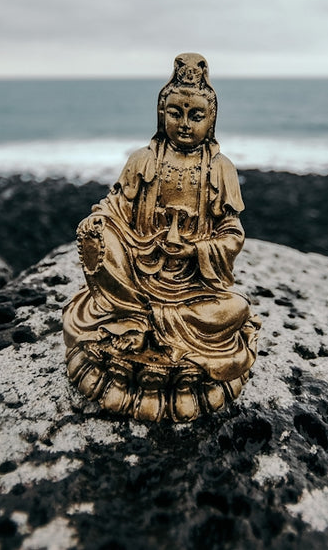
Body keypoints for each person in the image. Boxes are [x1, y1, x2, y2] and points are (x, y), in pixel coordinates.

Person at [63, 53, 260, 421]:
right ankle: (135, 319)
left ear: (211, 119)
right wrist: (99, 223)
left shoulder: (220, 169)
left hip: (191, 290)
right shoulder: (143, 159)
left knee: (236, 310)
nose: (184, 124)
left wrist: (196, 249)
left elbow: (232, 234)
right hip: (137, 277)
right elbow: (115, 207)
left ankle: (142, 326)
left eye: (196, 115)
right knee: (98, 234)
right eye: (175, 113)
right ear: (161, 113)